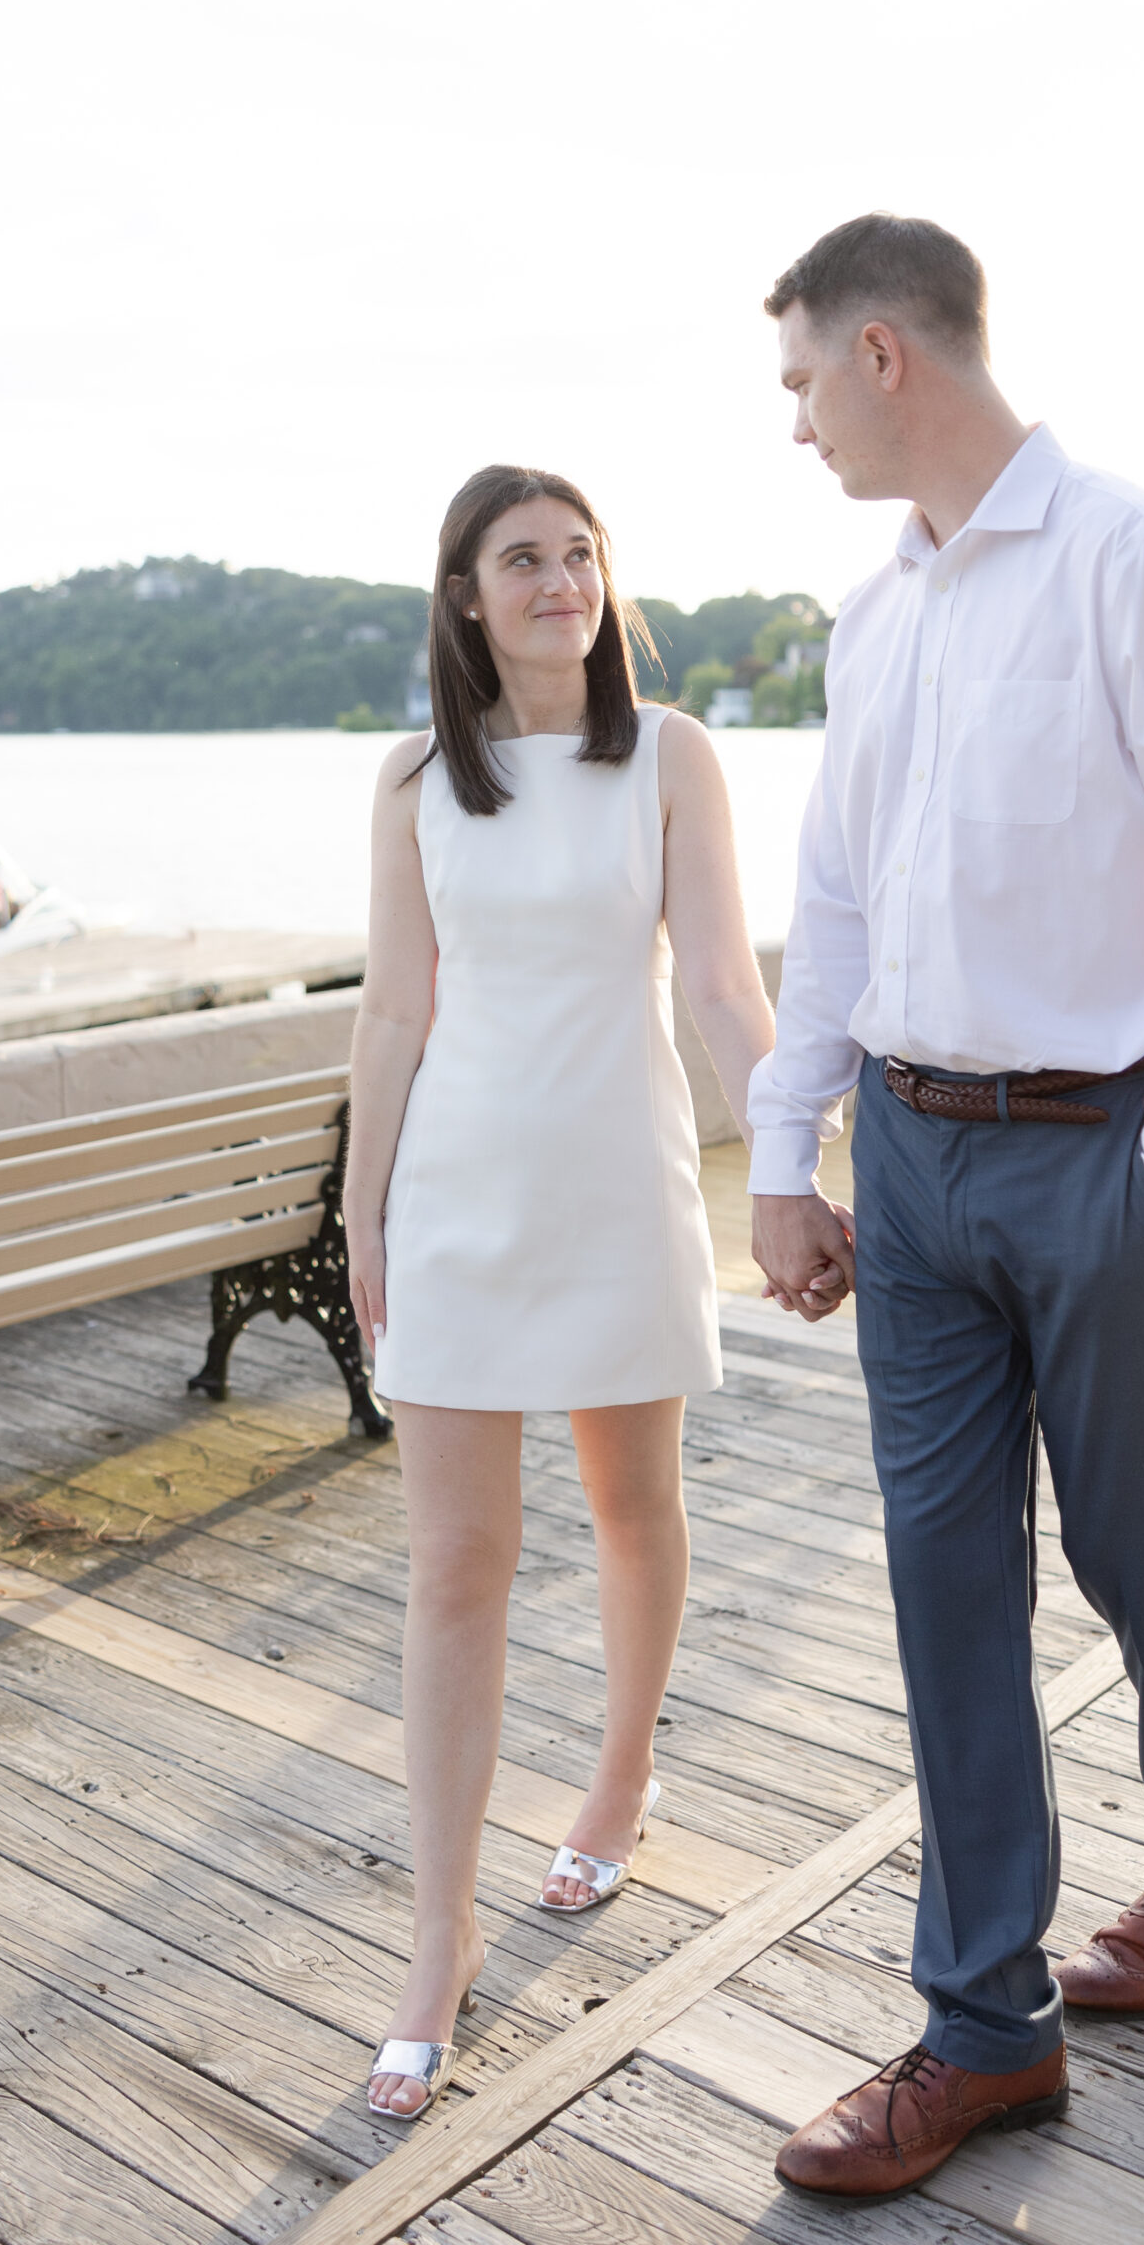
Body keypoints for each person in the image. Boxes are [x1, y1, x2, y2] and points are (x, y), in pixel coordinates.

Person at [746, 216, 1144, 2202]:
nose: (797, 418)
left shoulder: (1143, 562)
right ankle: (983, 2026)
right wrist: (784, 1151)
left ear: (886, 353)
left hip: (1105, 1148)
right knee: (939, 1579)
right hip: (906, 1164)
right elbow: (833, 909)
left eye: (805, 376)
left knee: (1133, 1548)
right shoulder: (867, 617)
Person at [346, 464, 839, 2124]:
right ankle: (438, 1933)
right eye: (521, 559)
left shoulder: (672, 754)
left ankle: (617, 1778)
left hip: (621, 1191)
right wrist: (362, 1212)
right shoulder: (413, 778)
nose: (558, 580)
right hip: (457, 1206)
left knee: (635, 1506)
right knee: (451, 1568)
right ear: (467, 598)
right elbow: (396, 1015)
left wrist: (794, 1155)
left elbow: (717, 980)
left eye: (580, 555)